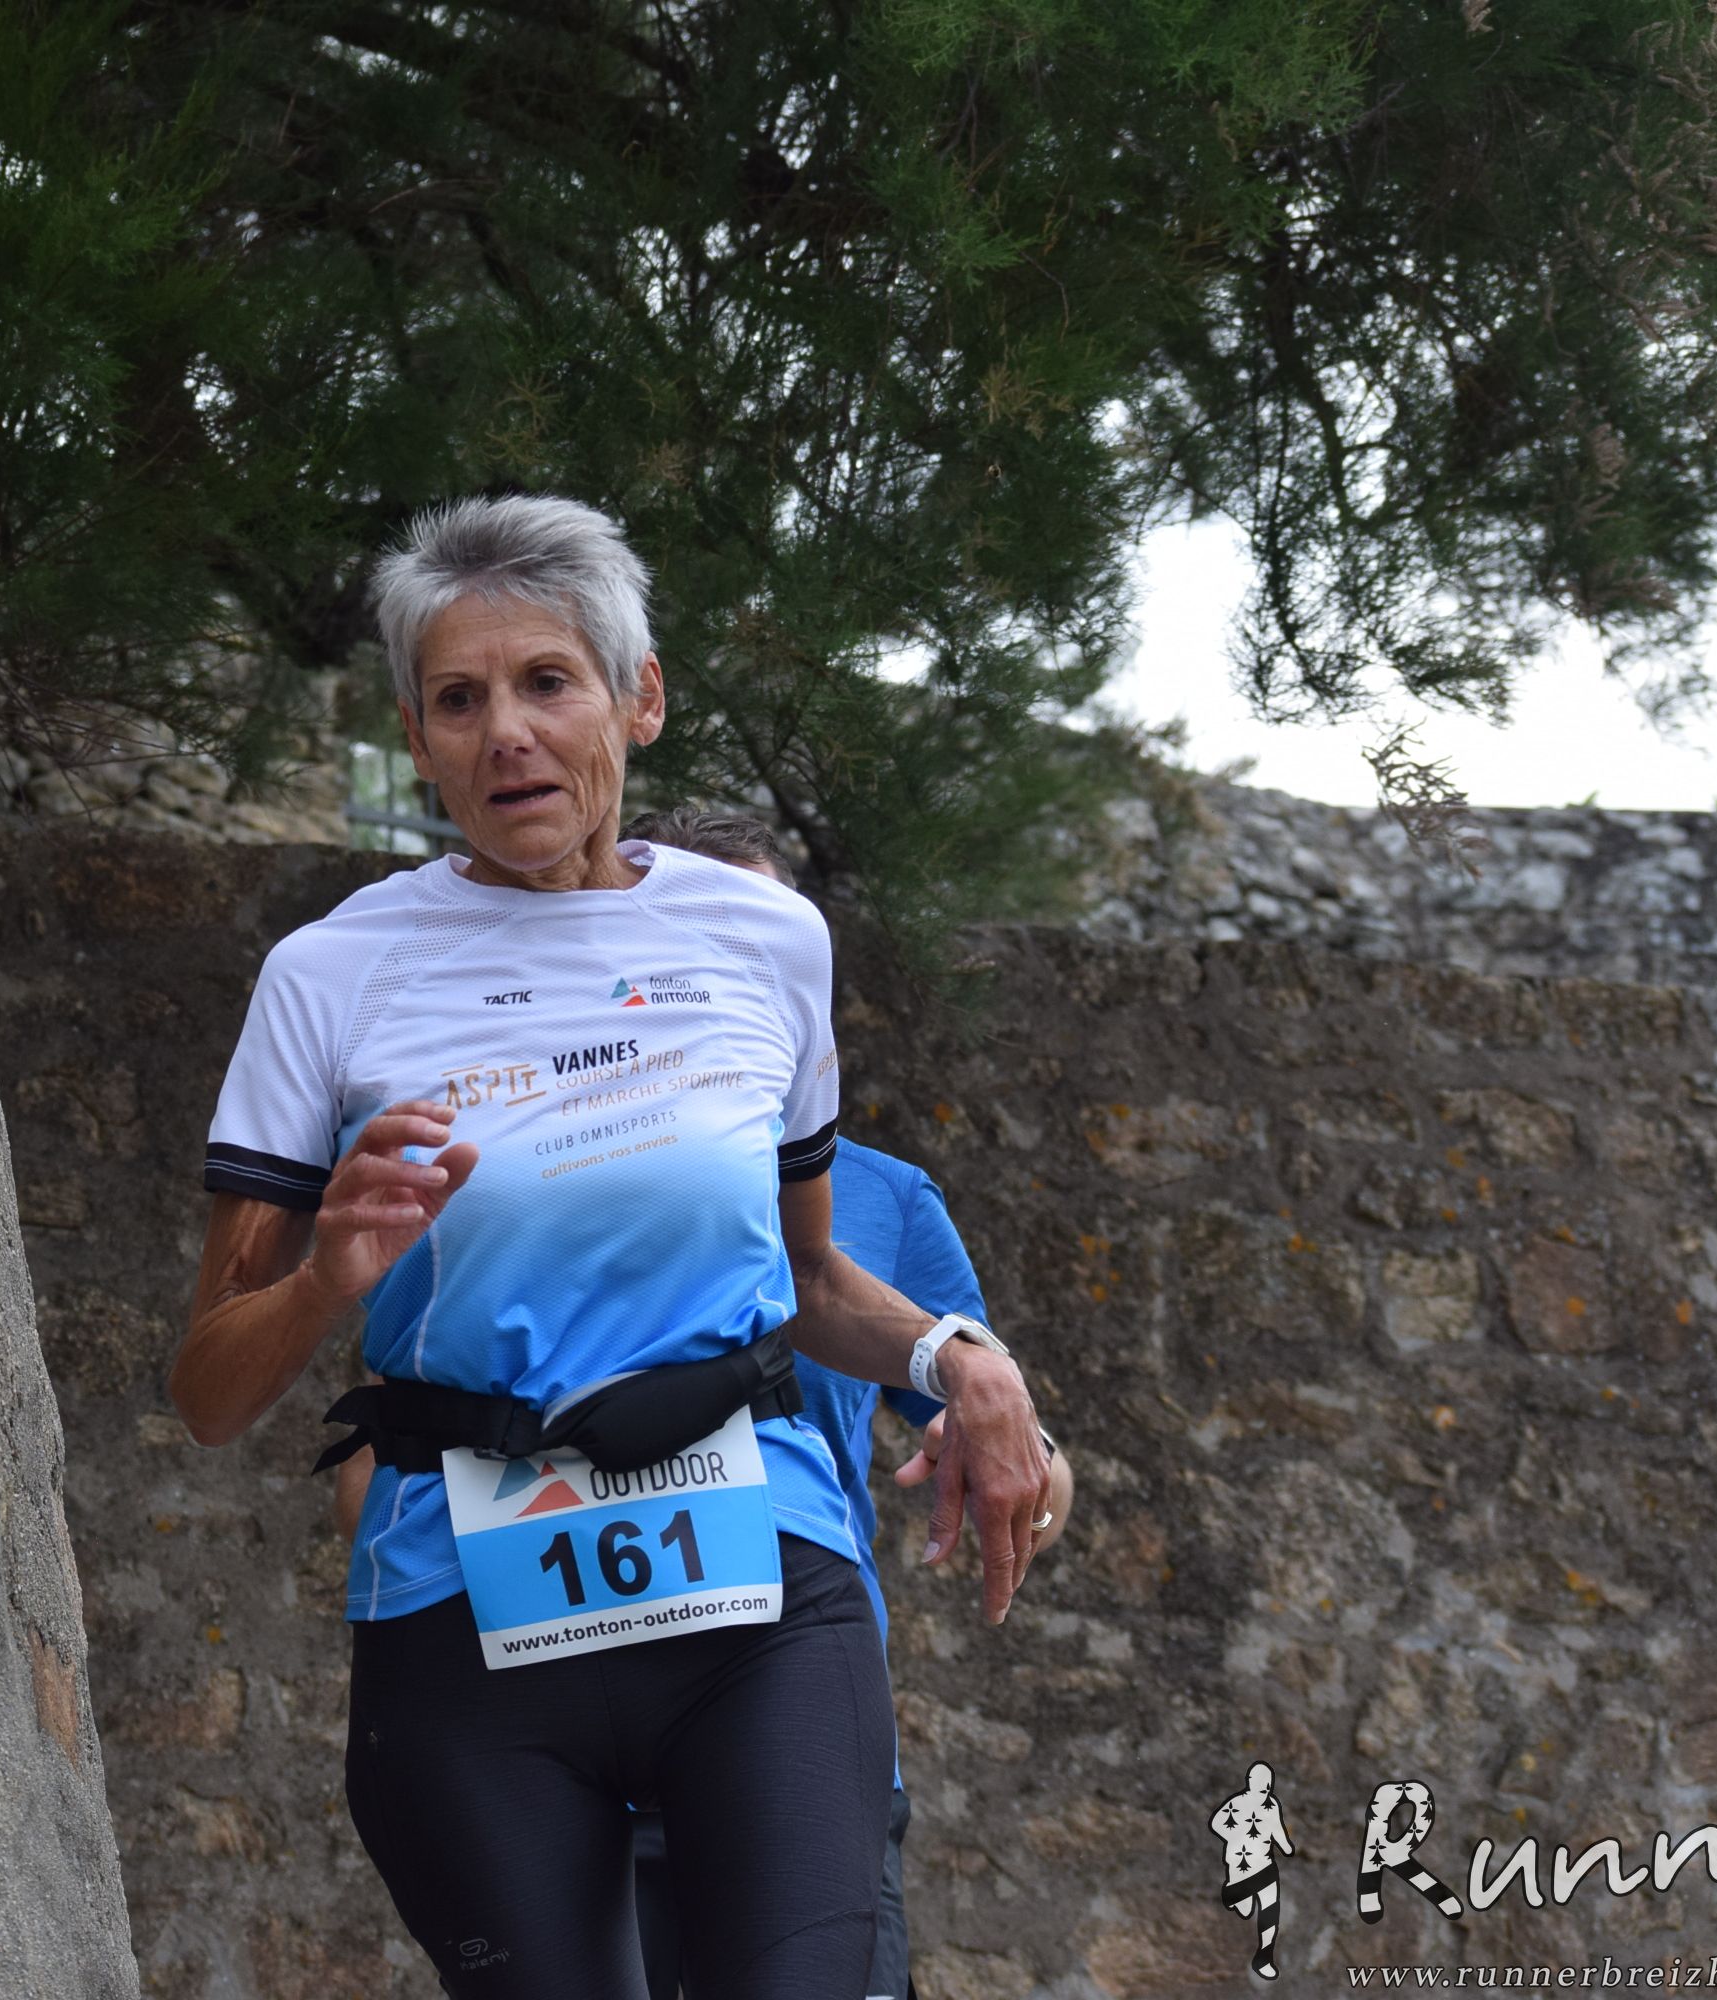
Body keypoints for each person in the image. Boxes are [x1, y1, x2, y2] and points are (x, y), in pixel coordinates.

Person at [172, 494, 1056, 2000]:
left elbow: (811, 1279)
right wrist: (328, 1276)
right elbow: (206, 1391)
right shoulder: (329, 976)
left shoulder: (765, 939)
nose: (506, 734)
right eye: (459, 701)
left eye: (547, 683)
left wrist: (952, 1355)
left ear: (639, 699)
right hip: (464, 1614)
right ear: (417, 737)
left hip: (756, 1597)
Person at [615, 806, 1076, 2000]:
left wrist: (996, 1441)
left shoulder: (877, 1196)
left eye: (767, 943)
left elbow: (1026, 1455)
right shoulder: (529, 1172)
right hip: (580, 1723)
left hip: (804, 1728)